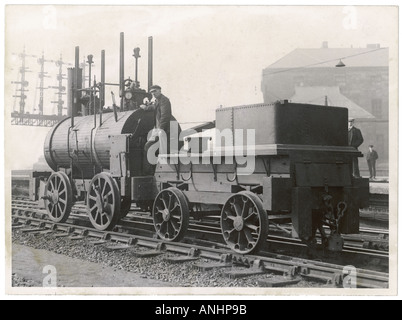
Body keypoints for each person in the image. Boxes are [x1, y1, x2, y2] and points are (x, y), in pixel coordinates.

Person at [140, 85, 179, 175]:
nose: (153, 93)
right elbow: (154, 107)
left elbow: (165, 116)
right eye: (152, 92)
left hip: (163, 128)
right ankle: (150, 170)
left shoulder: (164, 100)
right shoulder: (158, 101)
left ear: (160, 91)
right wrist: (145, 107)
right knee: (148, 145)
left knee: (163, 148)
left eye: (155, 91)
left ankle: (163, 164)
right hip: (157, 129)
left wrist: (161, 129)